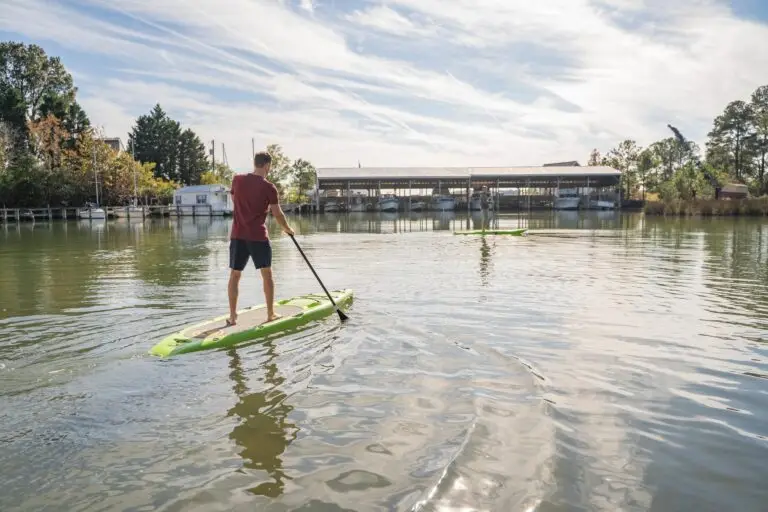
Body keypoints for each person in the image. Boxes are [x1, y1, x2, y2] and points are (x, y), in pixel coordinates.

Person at [227, 151, 294, 326]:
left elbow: (234, 198)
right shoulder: (269, 187)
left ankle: (233, 317)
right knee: (267, 274)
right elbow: (277, 214)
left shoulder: (237, 180)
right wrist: (287, 229)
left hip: (237, 235)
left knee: (235, 275)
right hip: (257, 236)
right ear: (267, 166)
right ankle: (270, 314)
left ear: (255, 163)